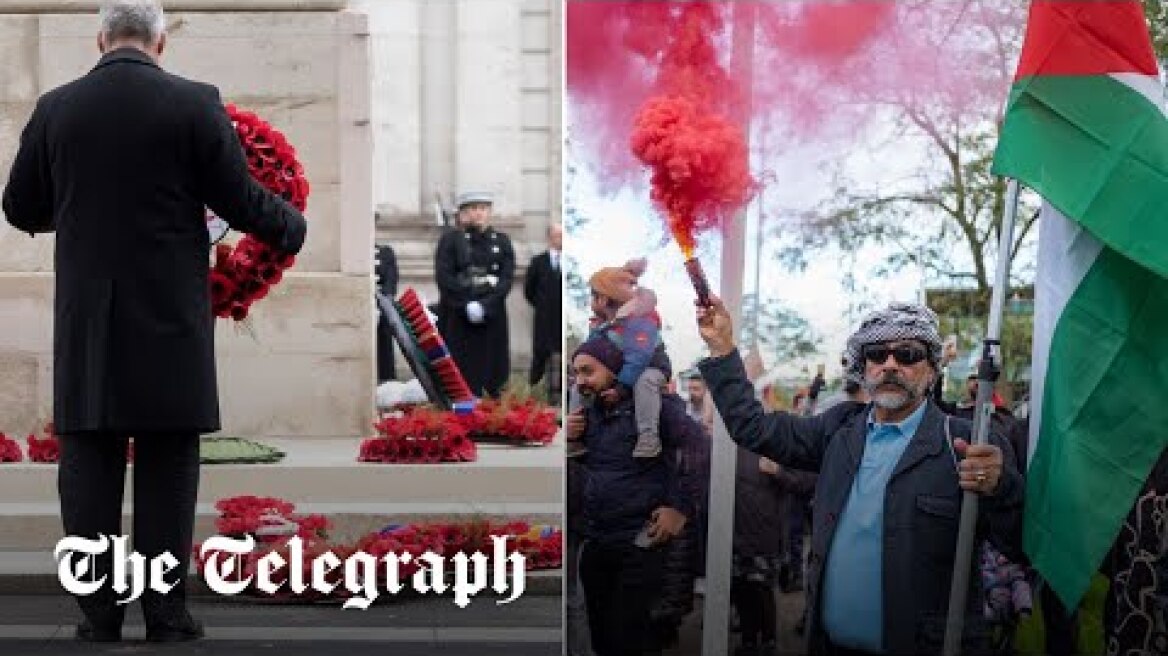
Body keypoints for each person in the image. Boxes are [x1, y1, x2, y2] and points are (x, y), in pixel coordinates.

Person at [1, 0, 307, 642]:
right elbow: (238, 198)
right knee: (168, 465)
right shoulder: (196, 103)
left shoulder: (58, 107)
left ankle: (99, 616)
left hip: (90, 320)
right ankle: (167, 615)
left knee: (88, 466)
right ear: (161, 43)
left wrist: (77, 208)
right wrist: (291, 225)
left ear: (100, 39)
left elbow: (20, 204)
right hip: (170, 316)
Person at [695, 299, 1024, 655]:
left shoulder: (968, 443)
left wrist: (1002, 487)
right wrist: (723, 348)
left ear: (931, 370)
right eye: (877, 354)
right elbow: (753, 428)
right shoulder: (839, 428)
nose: (890, 365)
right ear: (864, 369)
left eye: (908, 354)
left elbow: (1020, 543)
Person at [567, 335, 699, 656]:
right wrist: (568, 441)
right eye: (576, 374)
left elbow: (701, 451)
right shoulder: (588, 414)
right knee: (604, 641)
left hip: (640, 545)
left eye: (588, 372)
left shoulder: (655, 408)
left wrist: (679, 508)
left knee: (634, 642)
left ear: (613, 369)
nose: (580, 381)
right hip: (597, 544)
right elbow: (595, 470)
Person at [733, 449, 817, 656]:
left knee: (761, 591)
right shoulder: (730, 448)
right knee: (742, 590)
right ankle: (748, 641)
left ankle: (768, 642)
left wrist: (778, 471)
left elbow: (807, 483)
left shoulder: (775, 445)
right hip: (736, 534)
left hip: (765, 535)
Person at [433, 191, 515, 397]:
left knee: (492, 376)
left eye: (482, 208)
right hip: (459, 317)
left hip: (491, 316)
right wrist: (465, 305)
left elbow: (506, 278)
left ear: (489, 212)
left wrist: (485, 305)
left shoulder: (502, 241)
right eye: (472, 208)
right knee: (461, 376)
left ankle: (492, 419)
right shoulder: (451, 240)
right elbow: (445, 278)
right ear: (461, 214)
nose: (477, 213)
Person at [589, 258, 669, 458]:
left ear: (604, 299)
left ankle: (648, 437)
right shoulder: (604, 324)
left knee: (645, 380)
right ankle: (577, 431)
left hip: (651, 367)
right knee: (582, 382)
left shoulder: (641, 318)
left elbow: (639, 356)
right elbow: (590, 354)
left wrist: (621, 389)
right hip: (621, 370)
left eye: (594, 295)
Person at [523, 222, 563, 391]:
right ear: (549, 237)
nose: (561, 239)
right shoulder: (538, 262)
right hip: (544, 318)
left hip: (561, 318)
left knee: (562, 358)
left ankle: (559, 393)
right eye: (557, 235)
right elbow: (529, 290)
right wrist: (542, 306)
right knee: (540, 355)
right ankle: (535, 392)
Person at [374, 242, 399, 383]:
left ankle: (386, 380)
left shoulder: (385, 252)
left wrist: (382, 304)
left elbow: (390, 283)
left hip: (381, 309)